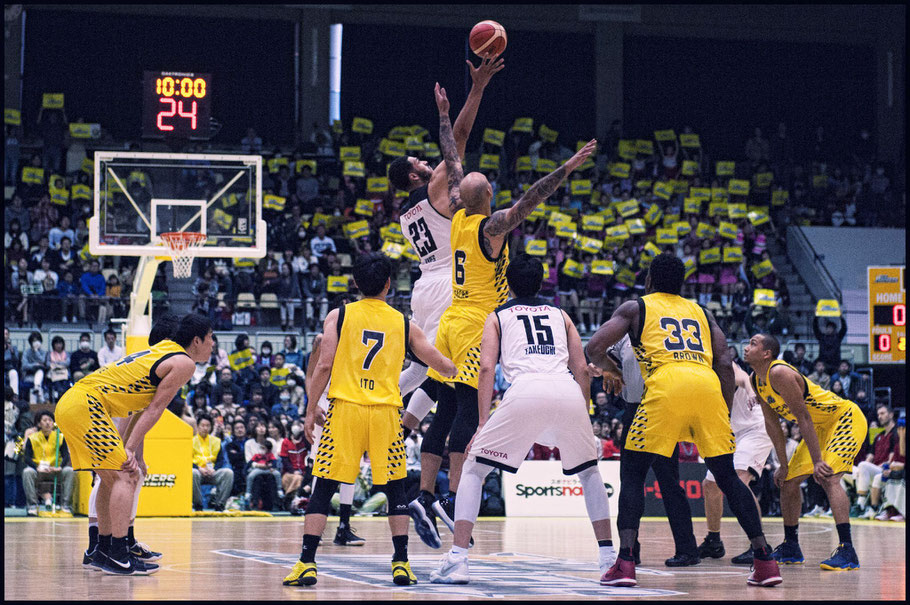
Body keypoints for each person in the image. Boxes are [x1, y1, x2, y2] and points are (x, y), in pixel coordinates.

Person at [411, 82, 596, 548]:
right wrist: (568, 167)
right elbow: (532, 197)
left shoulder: (456, 216)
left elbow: (452, 157)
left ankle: (424, 494)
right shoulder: (491, 229)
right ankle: (456, 500)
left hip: (450, 320)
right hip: (476, 324)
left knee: (444, 403)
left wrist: (444, 113)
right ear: (488, 194)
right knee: (468, 417)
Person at [586, 253, 780, 587]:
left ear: (649, 280)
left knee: (632, 475)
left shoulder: (637, 307)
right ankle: (765, 561)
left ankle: (626, 563)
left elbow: (594, 347)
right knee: (728, 478)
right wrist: (721, 405)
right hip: (706, 386)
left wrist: (612, 369)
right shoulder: (703, 313)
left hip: (665, 386)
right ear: (683, 284)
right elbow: (724, 360)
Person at [430, 255, 616, 584]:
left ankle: (457, 558)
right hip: (567, 391)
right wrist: (582, 412)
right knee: (589, 472)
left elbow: (486, 368)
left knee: (474, 467)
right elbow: (582, 369)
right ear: (542, 281)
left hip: (525, 391)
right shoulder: (561, 314)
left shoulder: (498, 315)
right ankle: (608, 559)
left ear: (508, 284)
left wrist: (483, 421)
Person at [282, 252, 456, 587]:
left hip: (345, 410)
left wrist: (309, 408)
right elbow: (438, 361)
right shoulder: (404, 323)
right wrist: (460, 365)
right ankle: (401, 563)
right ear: (389, 285)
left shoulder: (340, 315)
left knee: (323, 488)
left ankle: (306, 563)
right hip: (386, 414)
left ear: (356, 283)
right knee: (395, 491)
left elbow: (323, 365)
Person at [389, 55, 504, 433]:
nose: (426, 161)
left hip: (425, 285)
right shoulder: (433, 189)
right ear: (413, 174)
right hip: (446, 286)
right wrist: (477, 89)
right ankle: (370, 399)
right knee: (442, 371)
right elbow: (458, 139)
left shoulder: (407, 212)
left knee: (426, 368)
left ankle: (403, 425)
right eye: (418, 161)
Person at [59, 313, 213, 576]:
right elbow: (155, 410)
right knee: (126, 475)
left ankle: (104, 550)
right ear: (196, 340)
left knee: (112, 478)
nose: (213, 344)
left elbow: (140, 409)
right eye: (211, 338)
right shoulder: (184, 363)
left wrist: (132, 448)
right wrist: (129, 449)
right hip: (86, 405)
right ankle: (119, 553)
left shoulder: (163, 351)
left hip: (75, 402)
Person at [743, 332, 867, 571]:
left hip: (844, 419)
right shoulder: (755, 380)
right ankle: (791, 545)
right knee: (788, 482)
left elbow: (803, 418)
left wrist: (818, 461)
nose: (747, 348)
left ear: (766, 354)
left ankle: (848, 550)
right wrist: (784, 464)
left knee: (828, 477)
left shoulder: (780, 373)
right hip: (819, 427)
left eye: (753, 344)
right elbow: (772, 425)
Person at [82, 314, 182, 570]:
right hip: (93, 416)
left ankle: (123, 540)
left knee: (130, 475)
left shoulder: (152, 365)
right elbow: (125, 418)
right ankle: (98, 544)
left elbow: (140, 417)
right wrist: (125, 452)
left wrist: (138, 454)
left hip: (99, 417)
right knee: (111, 477)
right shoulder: (152, 365)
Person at [605, 333, 701, 567]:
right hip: (637, 407)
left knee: (664, 482)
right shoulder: (625, 333)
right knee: (635, 481)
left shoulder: (665, 332)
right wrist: (609, 369)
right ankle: (631, 550)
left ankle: (685, 549)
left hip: (661, 408)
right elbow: (602, 353)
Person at [698, 361, 773, 565]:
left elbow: (743, 378)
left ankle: (759, 544)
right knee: (710, 485)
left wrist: (751, 393)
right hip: (729, 433)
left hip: (755, 428)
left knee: (740, 481)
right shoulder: (689, 370)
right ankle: (714, 541)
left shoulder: (718, 360)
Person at [300, 332, 364, 546]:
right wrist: (313, 404)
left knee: (351, 464)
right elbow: (310, 375)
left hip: (352, 403)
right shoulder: (322, 339)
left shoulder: (361, 336)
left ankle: (344, 526)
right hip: (326, 403)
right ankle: (315, 528)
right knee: (322, 464)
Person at [852, 404, 900, 519]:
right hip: (872, 470)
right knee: (844, 472)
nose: (880, 416)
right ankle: (841, 507)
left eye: (883, 413)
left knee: (863, 466)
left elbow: (891, 459)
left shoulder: (896, 433)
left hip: (884, 469)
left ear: (891, 415)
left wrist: (866, 466)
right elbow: (870, 456)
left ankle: (861, 504)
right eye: (878, 414)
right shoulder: (878, 435)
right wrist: (861, 469)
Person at [22, 411, 74, 515]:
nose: (47, 423)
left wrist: (60, 467)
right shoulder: (32, 438)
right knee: (27, 472)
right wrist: (36, 467)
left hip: (55, 471)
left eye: (50, 420)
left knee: (69, 471)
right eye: (44, 420)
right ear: (39, 424)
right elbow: (26, 457)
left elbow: (66, 456)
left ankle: (65, 506)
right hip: (39, 471)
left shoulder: (60, 437)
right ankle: (32, 506)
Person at [192, 414, 234, 511]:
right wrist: (199, 468)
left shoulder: (216, 441)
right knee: (193, 473)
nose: (205, 428)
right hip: (198, 471)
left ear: (211, 427)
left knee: (228, 473)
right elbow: (187, 460)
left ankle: (220, 505)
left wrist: (214, 469)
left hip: (212, 472)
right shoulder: (191, 441)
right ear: (198, 427)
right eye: (202, 425)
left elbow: (220, 460)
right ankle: (198, 505)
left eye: (207, 425)